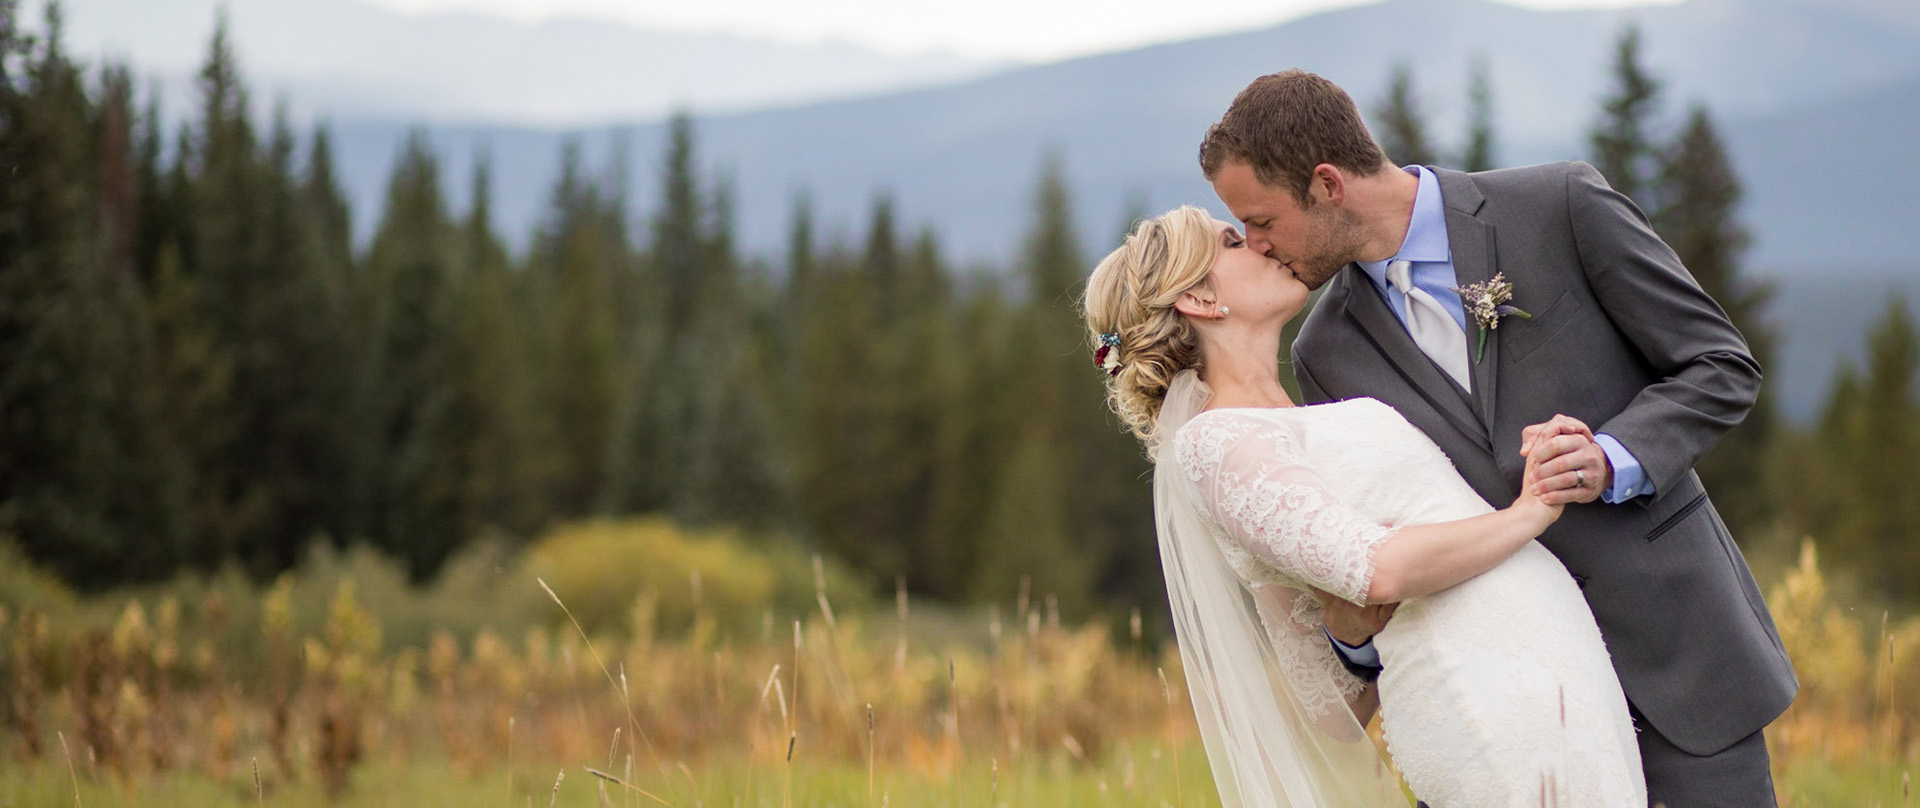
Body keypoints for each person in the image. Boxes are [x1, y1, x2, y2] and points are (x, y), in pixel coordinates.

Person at [1196, 69, 1796, 806]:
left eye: (1262, 220)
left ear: (1326, 184)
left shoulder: (1559, 205)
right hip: (1509, 712)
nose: (1256, 246)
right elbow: (1371, 548)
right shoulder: (1327, 350)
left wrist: (1613, 458)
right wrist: (1353, 635)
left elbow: (1719, 364)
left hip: (1679, 662)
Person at [1085, 206, 1643, 806]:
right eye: (1230, 241)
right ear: (1197, 296)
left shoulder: (1289, 423)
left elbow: (1335, 699)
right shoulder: (1216, 444)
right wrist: (1527, 512)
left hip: (1545, 670)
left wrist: (1346, 633)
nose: (1258, 242)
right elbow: (1378, 570)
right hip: (1479, 696)